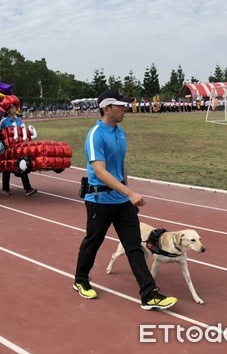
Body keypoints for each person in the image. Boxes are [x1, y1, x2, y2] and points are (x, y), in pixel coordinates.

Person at [73, 90, 177, 311]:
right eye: (120, 106)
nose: (125, 109)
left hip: (120, 201)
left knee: (134, 246)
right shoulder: (95, 135)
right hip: (99, 200)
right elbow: (100, 171)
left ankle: (149, 294)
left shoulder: (120, 133)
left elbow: (121, 165)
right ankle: (81, 280)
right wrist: (129, 193)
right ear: (107, 108)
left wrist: (127, 191)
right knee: (93, 241)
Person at [0, 99, 37, 196]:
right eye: (12, 108)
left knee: (22, 165)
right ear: (8, 110)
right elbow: (1, 134)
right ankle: (5, 188)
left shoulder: (18, 120)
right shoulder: (4, 122)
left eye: (15, 107)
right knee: (7, 168)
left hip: (19, 148)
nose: (15, 109)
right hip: (8, 148)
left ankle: (28, 188)